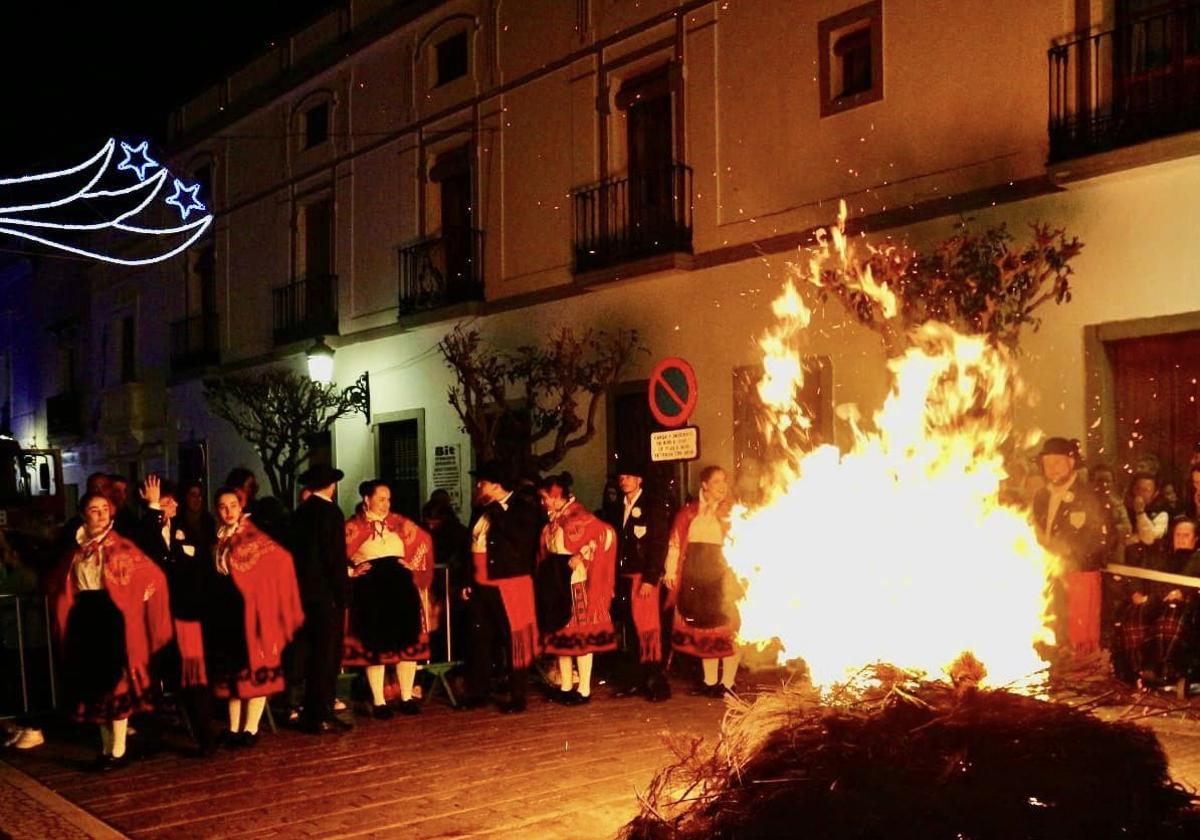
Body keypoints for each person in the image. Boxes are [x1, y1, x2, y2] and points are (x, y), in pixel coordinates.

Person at [52, 492, 172, 770]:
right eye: (94, 510)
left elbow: (152, 575)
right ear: (83, 514)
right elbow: (62, 584)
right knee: (94, 686)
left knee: (115, 682)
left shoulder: (121, 546)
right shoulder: (77, 549)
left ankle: (118, 750)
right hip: (84, 616)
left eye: (104, 509)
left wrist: (134, 599)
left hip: (111, 616)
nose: (101, 514)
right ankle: (106, 748)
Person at [208, 487, 304, 747]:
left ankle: (250, 728)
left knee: (254, 666)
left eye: (233, 506)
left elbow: (281, 561)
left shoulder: (253, 537)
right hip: (227, 610)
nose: (228, 511)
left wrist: (261, 594)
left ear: (241, 508)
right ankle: (233, 726)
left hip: (251, 609)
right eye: (223, 506)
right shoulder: (220, 538)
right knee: (233, 670)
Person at [135, 475, 218, 755]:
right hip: (154, 619)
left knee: (194, 680)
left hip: (186, 617)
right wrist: (153, 509)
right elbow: (148, 542)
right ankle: (153, 739)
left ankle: (206, 738)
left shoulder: (188, 531)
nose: (167, 507)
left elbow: (201, 572)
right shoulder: (144, 530)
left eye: (169, 502)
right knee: (153, 680)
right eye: (162, 503)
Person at [344, 479, 435, 717]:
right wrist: (352, 571)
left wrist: (412, 565)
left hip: (400, 586)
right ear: (367, 499)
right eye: (381, 498)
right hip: (372, 588)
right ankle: (379, 701)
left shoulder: (398, 523)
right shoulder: (352, 527)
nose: (386, 504)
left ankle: (406, 696)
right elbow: (334, 555)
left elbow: (424, 541)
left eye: (389, 499)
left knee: (406, 642)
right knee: (376, 645)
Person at [462, 461, 541, 713]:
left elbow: (520, 538)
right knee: (480, 639)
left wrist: (497, 510)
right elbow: (469, 546)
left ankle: (518, 696)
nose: (478, 486)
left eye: (482, 482)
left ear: (496, 486)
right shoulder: (479, 510)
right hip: (481, 582)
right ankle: (479, 692)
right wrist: (467, 580)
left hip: (510, 585)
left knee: (513, 640)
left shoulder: (523, 507)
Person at [535, 472, 616, 705]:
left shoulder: (580, 516)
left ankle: (583, 689)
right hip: (555, 577)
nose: (543, 502)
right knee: (560, 631)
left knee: (578, 634)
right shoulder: (554, 519)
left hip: (574, 580)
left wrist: (581, 555)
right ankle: (566, 685)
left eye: (545, 497)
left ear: (555, 495)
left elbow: (604, 534)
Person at [665, 465, 741, 697]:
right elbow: (675, 543)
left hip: (724, 577)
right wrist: (670, 571)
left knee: (730, 628)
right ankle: (710, 683)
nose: (722, 486)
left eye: (724, 481)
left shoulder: (733, 512)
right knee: (706, 629)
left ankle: (728, 683)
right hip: (696, 577)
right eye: (717, 481)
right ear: (704, 486)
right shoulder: (689, 513)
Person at [1030, 437, 1109, 656]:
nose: (1052, 468)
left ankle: (1085, 679)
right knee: (1054, 630)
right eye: (1047, 463)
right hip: (1049, 574)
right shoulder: (1041, 496)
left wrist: (1070, 556)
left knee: (1081, 636)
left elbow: (1102, 537)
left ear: (1071, 462)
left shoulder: (1088, 495)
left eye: (1057, 462)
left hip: (1080, 574)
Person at [604, 464, 672, 702]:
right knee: (630, 630)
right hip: (623, 578)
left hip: (643, 579)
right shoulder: (617, 507)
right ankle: (633, 680)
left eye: (629, 475)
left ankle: (655, 683)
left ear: (640, 479)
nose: (624, 480)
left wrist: (650, 579)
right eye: (622, 476)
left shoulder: (652, 506)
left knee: (648, 630)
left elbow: (658, 544)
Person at [291, 464, 351, 733]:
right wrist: (343, 592)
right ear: (331, 485)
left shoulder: (301, 513)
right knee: (327, 655)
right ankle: (322, 711)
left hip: (303, 594)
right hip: (326, 594)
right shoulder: (330, 513)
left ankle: (310, 711)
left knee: (310, 653)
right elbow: (334, 557)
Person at [1124, 471, 1170, 570]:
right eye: (1138, 489)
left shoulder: (1161, 514)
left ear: (1155, 493)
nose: (1141, 493)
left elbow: (1149, 538)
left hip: (1149, 567)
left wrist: (1140, 513)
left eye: (1146, 490)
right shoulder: (1124, 509)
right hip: (1123, 563)